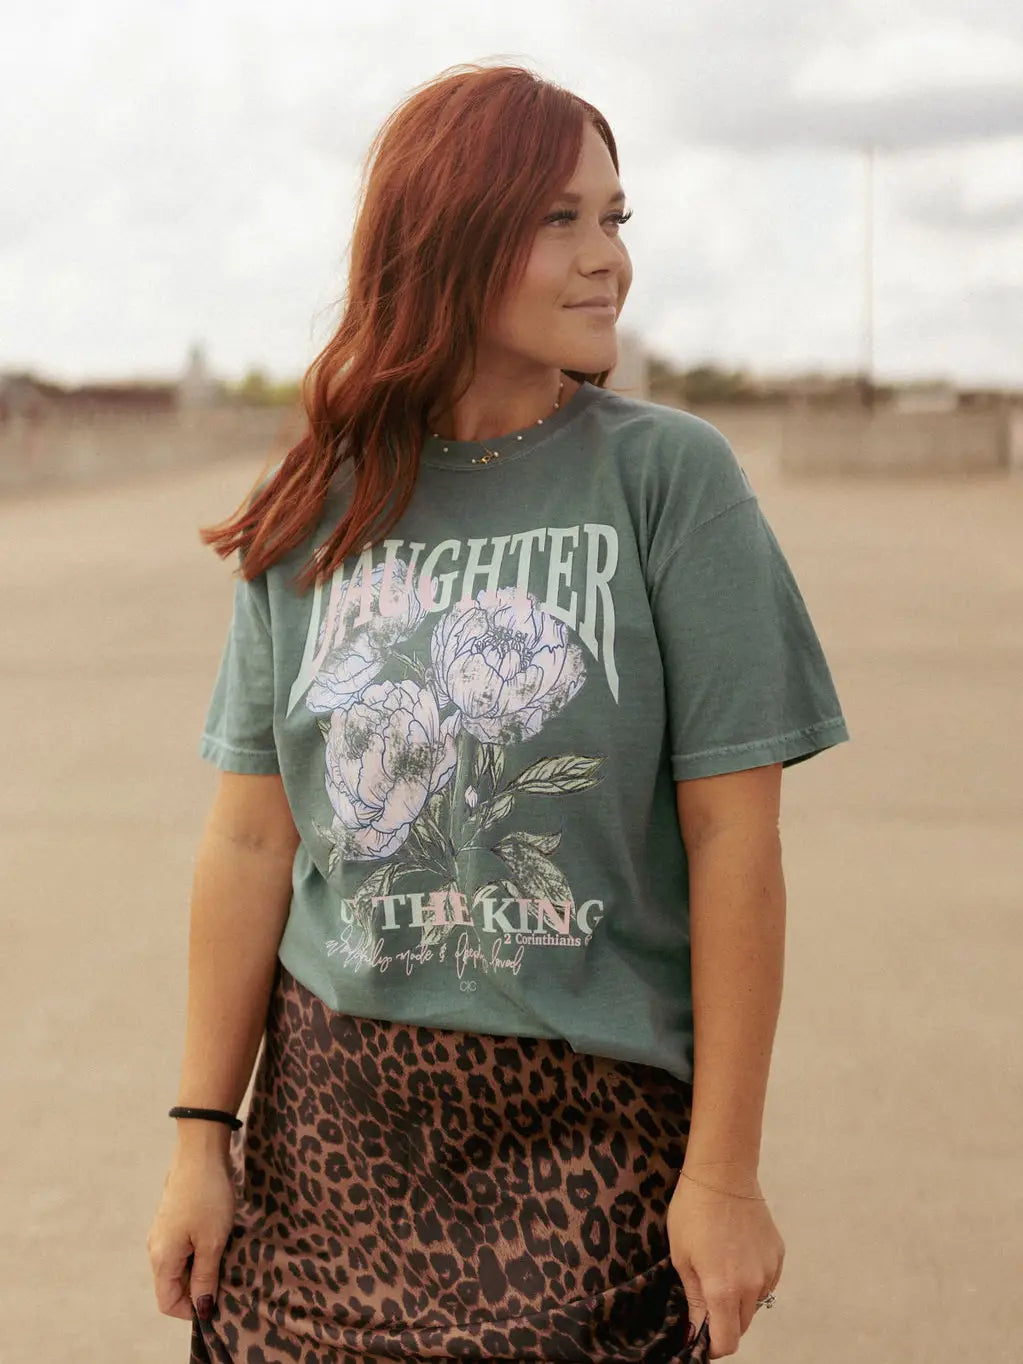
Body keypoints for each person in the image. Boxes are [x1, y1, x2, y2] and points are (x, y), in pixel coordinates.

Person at [147, 61, 850, 1363]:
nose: (607, 259)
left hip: (592, 1138)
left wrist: (725, 1173)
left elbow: (734, 843)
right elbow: (250, 841)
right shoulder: (323, 498)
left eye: (615, 218)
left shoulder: (669, 480)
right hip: (329, 1139)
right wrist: (201, 1140)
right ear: (449, 237)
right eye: (558, 219)